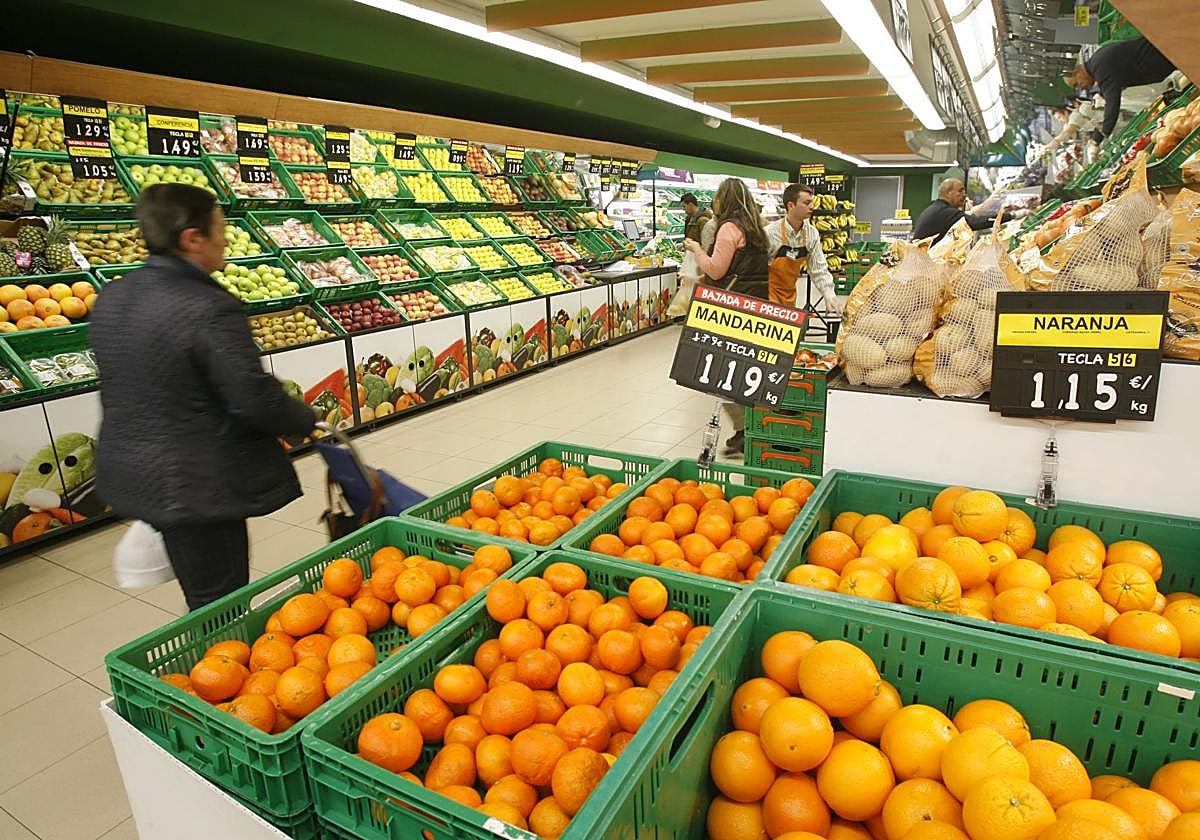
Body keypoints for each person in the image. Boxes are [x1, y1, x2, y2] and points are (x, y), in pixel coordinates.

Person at [91, 184, 316, 611]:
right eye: (219, 229)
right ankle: (215, 668)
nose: (226, 238)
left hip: (133, 469)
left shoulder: (114, 296)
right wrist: (304, 420)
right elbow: (250, 395)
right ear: (192, 238)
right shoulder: (207, 305)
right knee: (218, 601)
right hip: (195, 483)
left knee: (201, 580)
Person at [683, 178, 770, 455]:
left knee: (723, 372)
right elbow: (740, 270)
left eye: (717, 197)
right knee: (746, 369)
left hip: (730, 310)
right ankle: (755, 427)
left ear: (725, 200)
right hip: (754, 305)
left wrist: (696, 250)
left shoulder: (729, 228)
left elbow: (718, 270)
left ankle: (746, 431)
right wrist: (698, 278)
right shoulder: (756, 229)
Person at [1064, 37, 1177, 140]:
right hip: (1164, 56)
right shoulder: (1097, 64)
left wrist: (1101, 136)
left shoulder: (1100, 68)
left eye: (1076, 84)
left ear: (1078, 72)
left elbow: (1112, 103)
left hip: (1164, 54)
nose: (1081, 88)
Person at [766, 183, 842, 315]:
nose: (812, 206)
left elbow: (818, 269)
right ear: (791, 205)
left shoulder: (811, 234)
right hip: (766, 295)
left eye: (811, 202)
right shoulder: (770, 233)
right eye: (806, 203)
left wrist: (829, 294)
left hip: (789, 295)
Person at [912, 178, 996, 244]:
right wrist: (1005, 216)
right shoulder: (945, 212)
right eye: (960, 191)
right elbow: (975, 222)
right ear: (948, 193)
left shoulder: (937, 208)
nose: (964, 195)